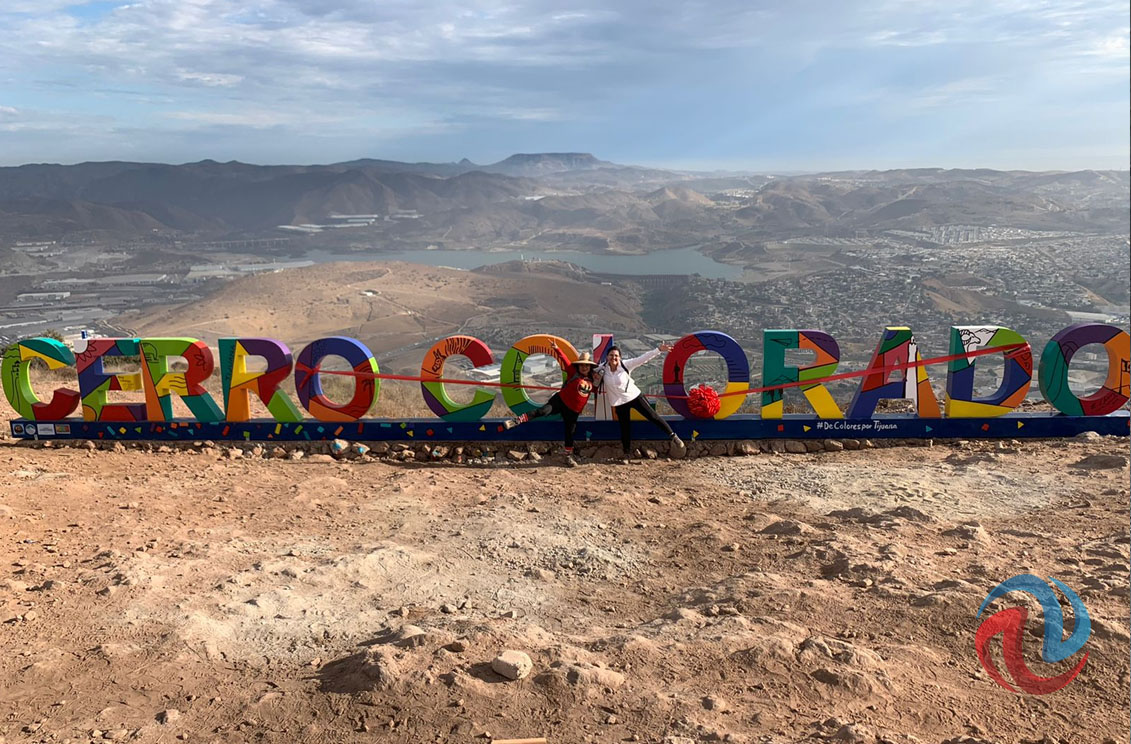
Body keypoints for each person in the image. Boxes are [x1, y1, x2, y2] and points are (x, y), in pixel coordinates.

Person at [504, 341, 599, 467]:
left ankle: (568, 456)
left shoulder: (592, 381)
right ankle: (517, 421)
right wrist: (556, 348)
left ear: (590, 367)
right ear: (578, 366)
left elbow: (597, 390)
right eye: (581, 365)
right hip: (560, 401)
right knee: (543, 411)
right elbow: (564, 360)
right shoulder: (573, 372)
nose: (584, 367)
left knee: (570, 432)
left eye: (586, 365)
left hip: (573, 411)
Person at [599, 343, 684, 460]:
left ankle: (673, 436)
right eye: (611, 355)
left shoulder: (625, 365)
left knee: (652, 416)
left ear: (620, 357)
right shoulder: (602, 368)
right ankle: (627, 453)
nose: (613, 358)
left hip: (634, 397)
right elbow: (588, 371)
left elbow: (643, 359)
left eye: (616, 356)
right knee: (625, 428)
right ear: (607, 357)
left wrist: (658, 350)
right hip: (619, 403)